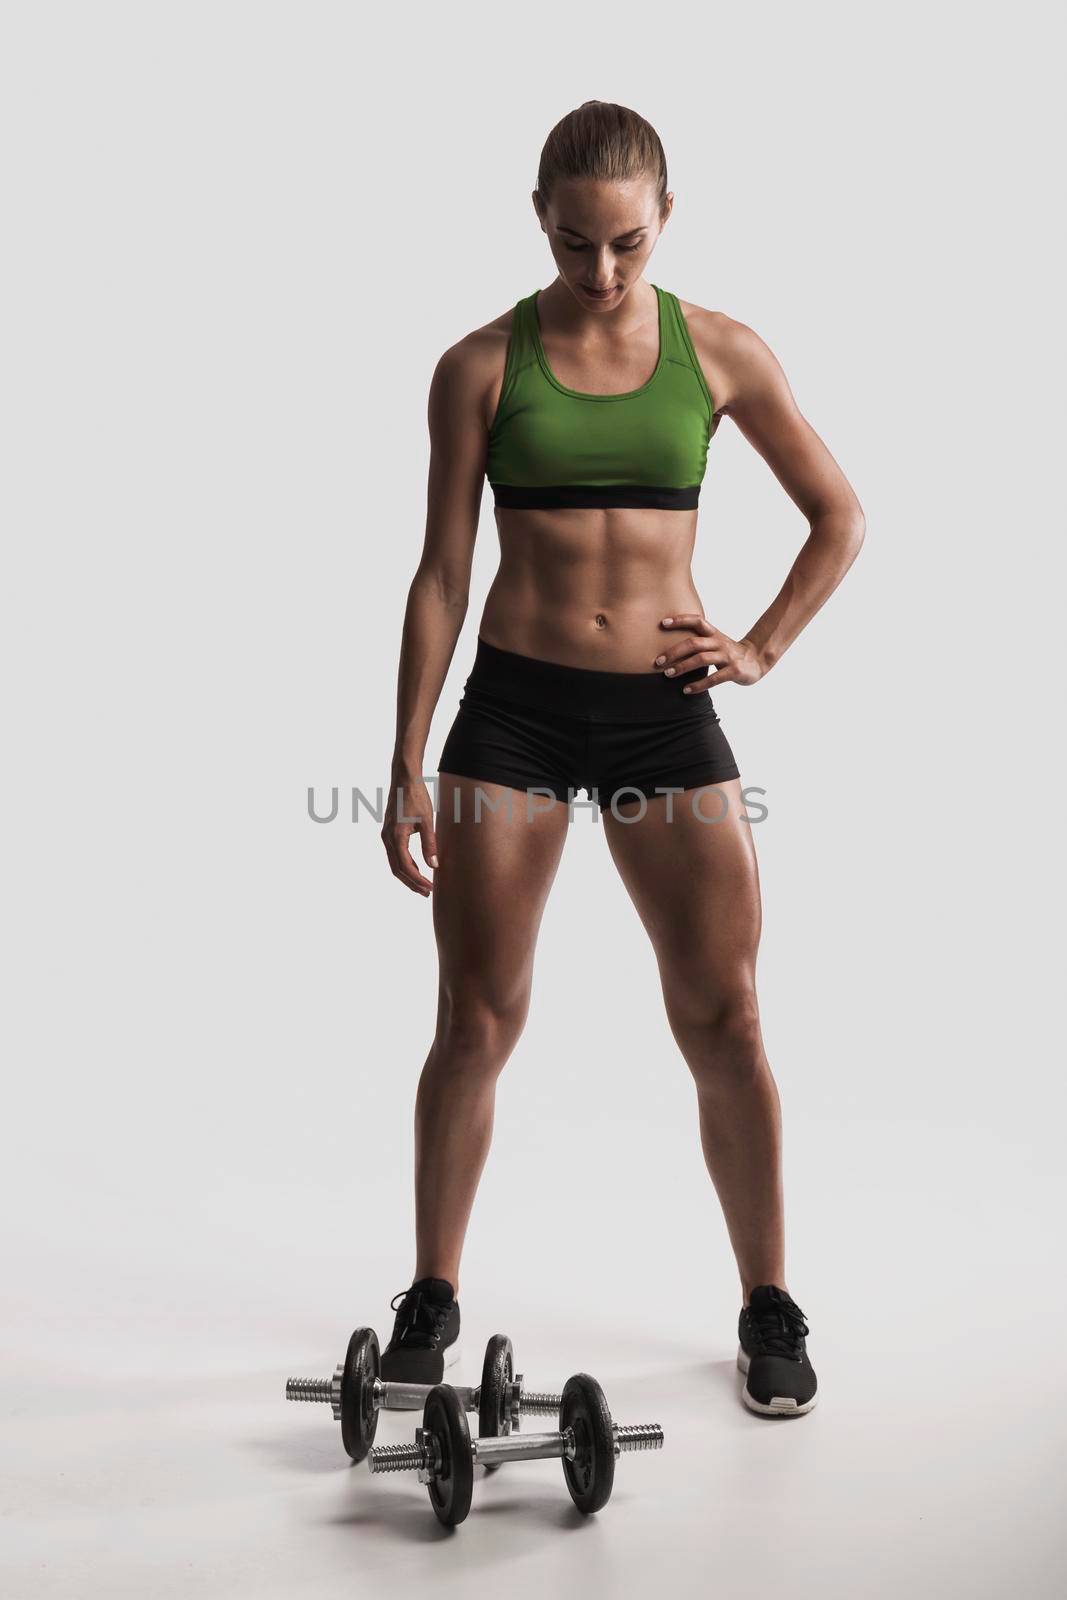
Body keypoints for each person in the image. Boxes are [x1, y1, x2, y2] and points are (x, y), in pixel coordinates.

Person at [379, 101, 864, 1417]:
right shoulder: (480, 365)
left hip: (661, 714)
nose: (602, 272)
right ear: (540, 215)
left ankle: (768, 1302)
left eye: (629, 247)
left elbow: (839, 516)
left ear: (665, 224)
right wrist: (408, 756)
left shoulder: (718, 353)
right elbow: (441, 573)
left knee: (728, 1013)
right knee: (477, 1016)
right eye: (581, 243)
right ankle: (432, 1290)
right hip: (516, 713)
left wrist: (757, 649)